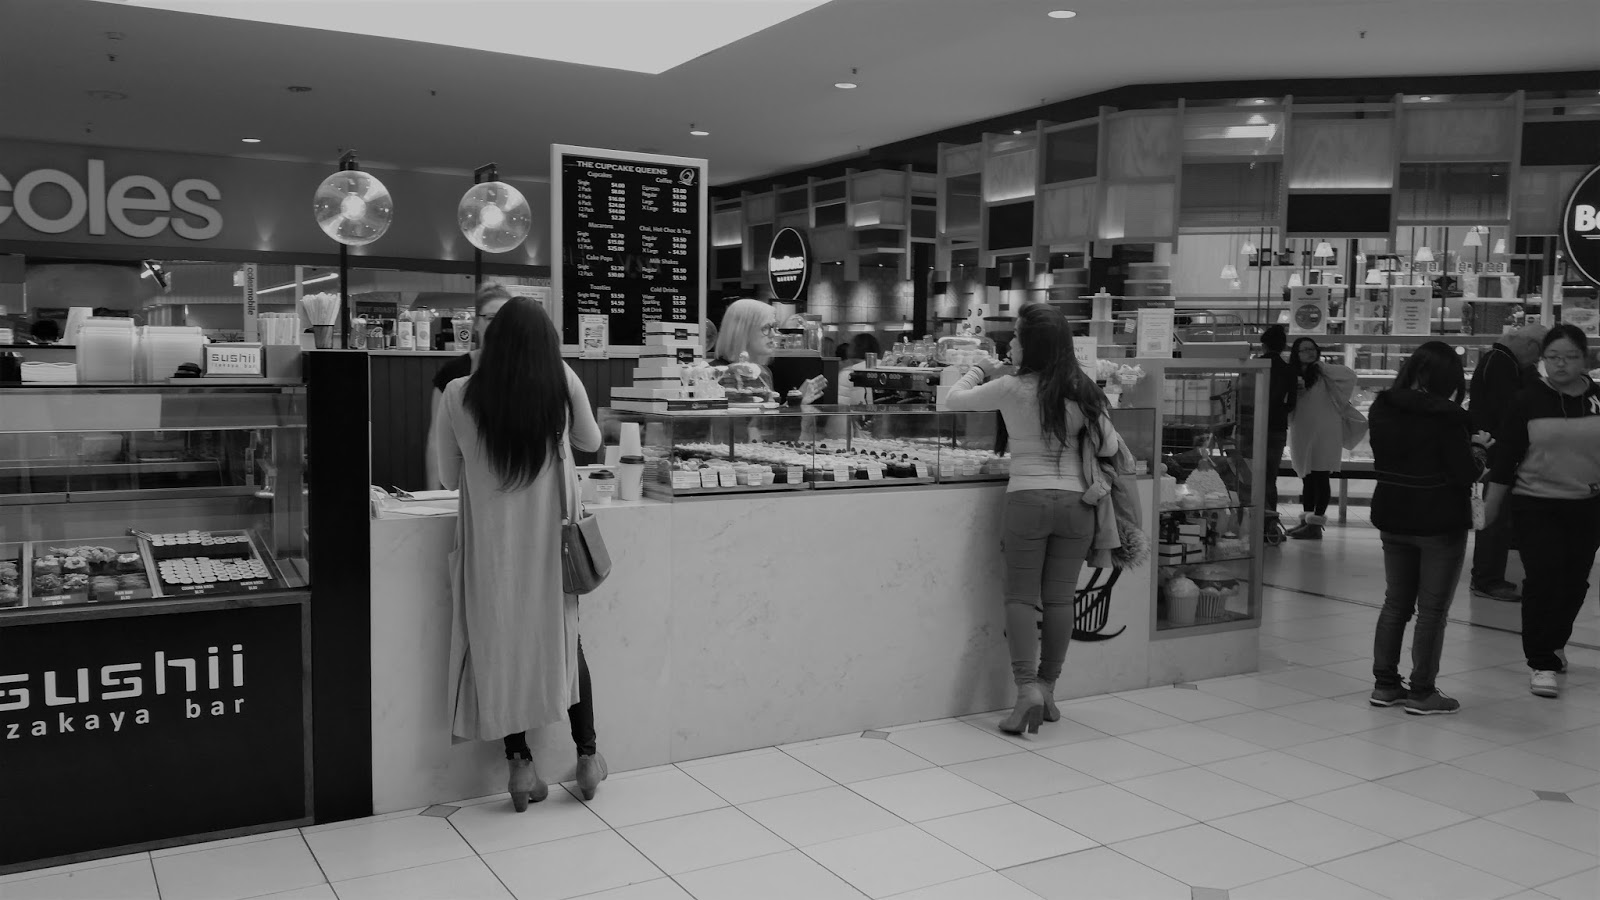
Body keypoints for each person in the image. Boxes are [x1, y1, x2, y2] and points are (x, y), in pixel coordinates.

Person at [431, 297, 608, 811]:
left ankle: (520, 765)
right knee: (567, 645)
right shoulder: (561, 381)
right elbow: (591, 441)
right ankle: (588, 757)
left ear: (492, 340)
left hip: (491, 551)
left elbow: (447, 476)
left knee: (499, 650)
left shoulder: (459, 394)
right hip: (551, 548)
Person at [946, 304, 1122, 735]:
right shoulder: (1084, 389)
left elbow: (951, 401)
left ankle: (1026, 689)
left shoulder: (1010, 387)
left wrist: (980, 369)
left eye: (1018, 337)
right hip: (1078, 503)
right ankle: (1048, 688)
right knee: (1061, 599)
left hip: (1027, 498)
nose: (1011, 343)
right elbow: (1111, 445)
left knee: (1021, 598)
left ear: (1033, 345)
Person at [1368, 342, 1491, 715]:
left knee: (1395, 604)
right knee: (1432, 611)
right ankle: (1422, 692)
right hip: (1438, 521)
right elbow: (1464, 472)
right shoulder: (1450, 416)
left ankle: (1385, 685)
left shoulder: (1382, 406)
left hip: (1392, 514)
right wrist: (1479, 448)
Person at [1485, 324, 1600, 700]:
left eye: (1570, 357)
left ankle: (1555, 642)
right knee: (1544, 578)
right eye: (1553, 357)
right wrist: (1489, 509)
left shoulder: (1597, 399)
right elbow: (1505, 461)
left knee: (1575, 582)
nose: (1561, 364)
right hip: (1536, 503)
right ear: (1542, 360)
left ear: (1586, 360)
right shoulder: (1527, 400)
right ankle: (1540, 662)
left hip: (1587, 504)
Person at [1466, 324, 1547, 602]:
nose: (1536, 362)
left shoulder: (1498, 361)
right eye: (1538, 355)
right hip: (1495, 456)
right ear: (1530, 347)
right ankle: (1486, 578)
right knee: (1492, 517)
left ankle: (1485, 575)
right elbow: (1515, 408)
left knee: (1493, 516)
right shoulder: (1502, 365)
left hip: (1492, 453)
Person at [426, 283, 512, 488]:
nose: (499, 325)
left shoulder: (529, 373)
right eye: (491, 318)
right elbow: (436, 440)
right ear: (476, 323)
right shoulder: (452, 373)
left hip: (514, 485)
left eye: (505, 319)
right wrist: (434, 493)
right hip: (467, 484)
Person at [1286, 336, 1357, 539]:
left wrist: (1321, 366)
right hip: (1302, 430)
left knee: (1320, 475)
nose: (1309, 353)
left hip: (1325, 431)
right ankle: (1306, 521)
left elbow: (1350, 376)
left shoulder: (1324, 372)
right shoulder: (1294, 374)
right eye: (1304, 350)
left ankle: (1316, 524)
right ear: (1296, 354)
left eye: (1312, 349)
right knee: (1307, 476)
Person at [712, 298, 826, 403]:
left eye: (774, 327)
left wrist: (797, 402)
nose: (773, 334)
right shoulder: (716, 374)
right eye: (766, 328)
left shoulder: (762, 373)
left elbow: (764, 422)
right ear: (743, 331)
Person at [1257, 325, 1295, 534]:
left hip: (1254, 428)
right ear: (1283, 347)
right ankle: (1270, 523)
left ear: (1263, 346)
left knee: (1251, 475)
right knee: (1270, 477)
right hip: (1278, 429)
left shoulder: (1255, 366)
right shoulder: (1289, 370)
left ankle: (1251, 522)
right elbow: (1292, 403)